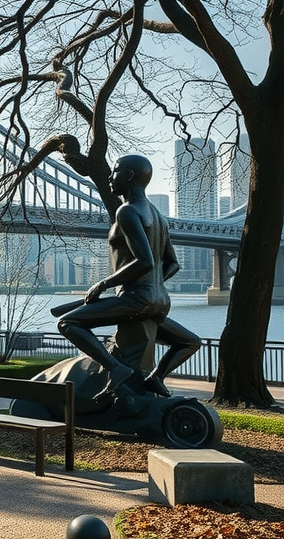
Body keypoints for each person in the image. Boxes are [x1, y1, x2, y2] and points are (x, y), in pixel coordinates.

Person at [55, 154, 200, 402]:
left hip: (135, 300)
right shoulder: (159, 217)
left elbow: (144, 260)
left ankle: (115, 368)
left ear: (130, 176)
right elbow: (173, 263)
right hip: (159, 302)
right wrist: (154, 285)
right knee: (190, 342)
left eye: (115, 171)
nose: (111, 177)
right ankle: (155, 377)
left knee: (68, 323)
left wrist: (103, 284)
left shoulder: (127, 211)